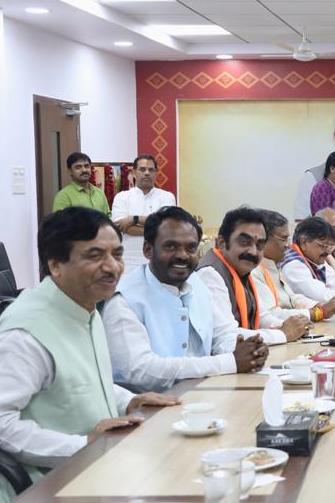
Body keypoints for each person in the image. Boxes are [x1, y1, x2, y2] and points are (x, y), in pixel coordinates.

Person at [0, 208, 178, 503]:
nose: (113, 267)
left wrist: (130, 401)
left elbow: (80, 380)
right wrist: (81, 445)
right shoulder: (26, 333)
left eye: (117, 254)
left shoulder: (83, 305)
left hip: (95, 471)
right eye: (94, 256)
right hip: (37, 494)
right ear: (55, 265)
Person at [104, 206, 268, 393]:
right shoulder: (123, 299)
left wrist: (249, 352)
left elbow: (223, 334)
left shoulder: (196, 283)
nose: (182, 255)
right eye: (171, 246)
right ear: (148, 250)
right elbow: (143, 371)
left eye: (191, 248)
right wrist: (230, 361)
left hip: (205, 396)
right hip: (148, 412)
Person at [197, 207, 309, 345]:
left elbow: (262, 317)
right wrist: (283, 333)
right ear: (221, 243)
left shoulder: (241, 271)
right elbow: (226, 336)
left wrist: (295, 328)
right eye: (244, 242)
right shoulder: (210, 274)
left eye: (260, 244)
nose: (253, 251)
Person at [253, 210, 335, 324]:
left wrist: (317, 306)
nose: (287, 245)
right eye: (283, 239)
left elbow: (293, 298)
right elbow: (272, 315)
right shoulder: (255, 270)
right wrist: (319, 312)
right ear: (263, 239)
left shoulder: (275, 264)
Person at [110, 155, 177, 270]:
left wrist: (134, 219)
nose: (147, 173)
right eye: (142, 169)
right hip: (128, 262)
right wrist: (156, 228)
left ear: (156, 173)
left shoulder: (167, 196)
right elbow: (120, 227)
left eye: (151, 170)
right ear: (134, 173)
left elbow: (167, 226)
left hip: (158, 261)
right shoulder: (122, 197)